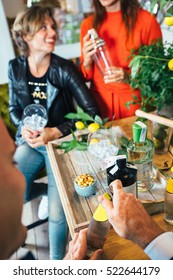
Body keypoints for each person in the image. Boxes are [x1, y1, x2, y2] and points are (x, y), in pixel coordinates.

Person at [8, 5, 99, 260]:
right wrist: (23, 127)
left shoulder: (64, 68)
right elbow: (14, 108)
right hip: (32, 142)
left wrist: (56, 131)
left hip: (61, 144)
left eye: (52, 26)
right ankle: (48, 193)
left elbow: (93, 113)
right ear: (26, 36)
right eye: (43, 28)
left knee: (59, 216)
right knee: (17, 190)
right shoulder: (15, 68)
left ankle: (57, 267)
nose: (52, 32)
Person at [80, 0, 162, 120]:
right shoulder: (88, 25)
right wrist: (86, 62)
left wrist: (129, 76)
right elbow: (85, 77)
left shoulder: (147, 21)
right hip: (100, 107)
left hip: (135, 107)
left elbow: (157, 73)